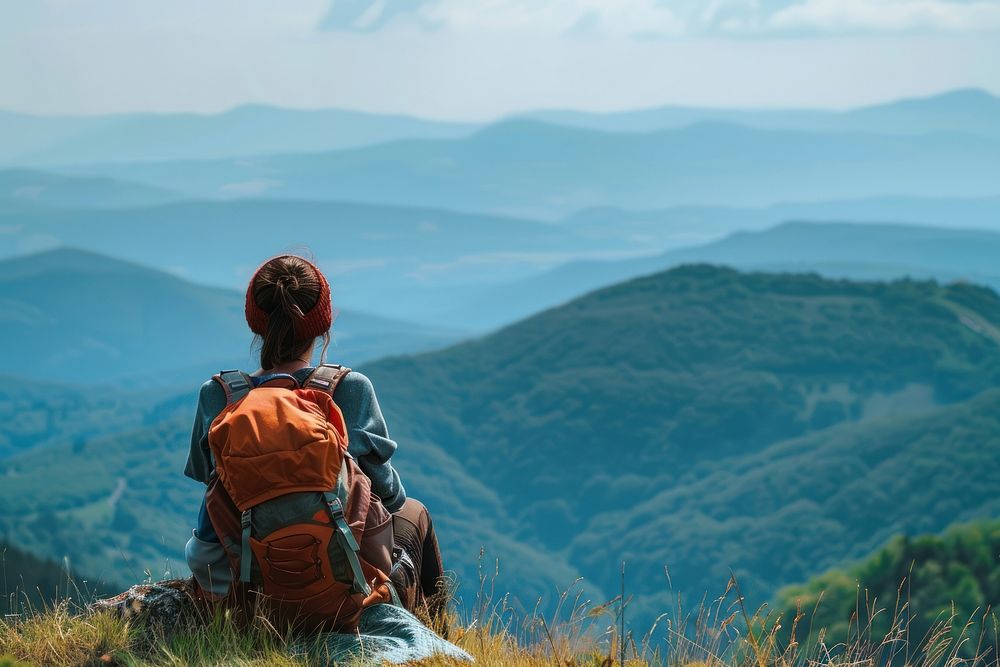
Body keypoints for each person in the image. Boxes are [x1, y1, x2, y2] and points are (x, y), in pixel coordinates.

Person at [183, 253, 447, 627]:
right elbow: (390, 497)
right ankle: (433, 637)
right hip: (344, 592)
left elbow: (210, 491)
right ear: (322, 323)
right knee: (415, 512)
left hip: (247, 597)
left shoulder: (217, 395)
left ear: (255, 321)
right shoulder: (350, 389)